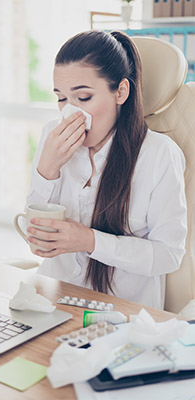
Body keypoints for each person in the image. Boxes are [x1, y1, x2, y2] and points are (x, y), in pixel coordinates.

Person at [25, 30, 187, 309]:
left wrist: (89, 241)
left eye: (83, 98)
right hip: (52, 301)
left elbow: (168, 255)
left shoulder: (159, 154)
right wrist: (47, 168)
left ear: (121, 91)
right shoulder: (52, 137)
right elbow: (36, 234)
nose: (69, 114)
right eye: (61, 99)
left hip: (120, 314)